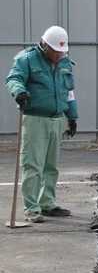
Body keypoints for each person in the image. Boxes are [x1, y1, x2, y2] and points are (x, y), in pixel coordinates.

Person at [5, 25, 78, 223]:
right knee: (33, 165)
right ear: (44, 45)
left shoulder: (64, 62)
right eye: (56, 51)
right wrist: (19, 91)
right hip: (35, 119)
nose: (59, 55)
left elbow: (69, 91)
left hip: (56, 120)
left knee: (51, 166)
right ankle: (32, 208)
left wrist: (72, 116)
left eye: (62, 52)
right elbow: (14, 78)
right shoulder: (27, 59)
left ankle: (48, 203)